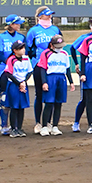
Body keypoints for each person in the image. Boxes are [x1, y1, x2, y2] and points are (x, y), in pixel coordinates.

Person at [26, 7, 61, 135]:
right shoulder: (33, 31)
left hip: (53, 65)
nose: (49, 17)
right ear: (40, 17)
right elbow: (29, 48)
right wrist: (36, 59)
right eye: (47, 15)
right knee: (39, 94)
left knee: (51, 94)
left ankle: (48, 122)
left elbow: (60, 44)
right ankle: (38, 122)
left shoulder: (55, 29)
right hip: (39, 65)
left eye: (50, 15)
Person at [36, 35, 74, 137]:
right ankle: (44, 126)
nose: (59, 48)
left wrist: (71, 82)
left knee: (58, 103)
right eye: (57, 46)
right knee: (49, 103)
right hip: (50, 77)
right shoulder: (46, 53)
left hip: (61, 78)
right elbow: (43, 69)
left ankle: (55, 126)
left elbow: (67, 69)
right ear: (51, 45)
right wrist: (44, 82)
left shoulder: (65, 54)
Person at [0, 14, 26, 135]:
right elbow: (0, 55)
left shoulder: (21, 37)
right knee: (5, 98)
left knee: (17, 99)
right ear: (11, 24)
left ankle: (16, 126)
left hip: (18, 74)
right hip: (4, 72)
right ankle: (4, 124)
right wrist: (12, 63)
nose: (19, 25)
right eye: (17, 23)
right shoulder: (0, 37)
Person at [1, 40, 33, 138]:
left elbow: (29, 71)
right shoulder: (11, 59)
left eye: (23, 47)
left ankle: (19, 127)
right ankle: (14, 128)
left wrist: (24, 82)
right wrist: (19, 83)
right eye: (20, 48)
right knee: (14, 107)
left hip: (23, 84)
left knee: (21, 107)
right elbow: (8, 73)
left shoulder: (26, 59)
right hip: (14, 85)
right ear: (15, 50)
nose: (23, 50)